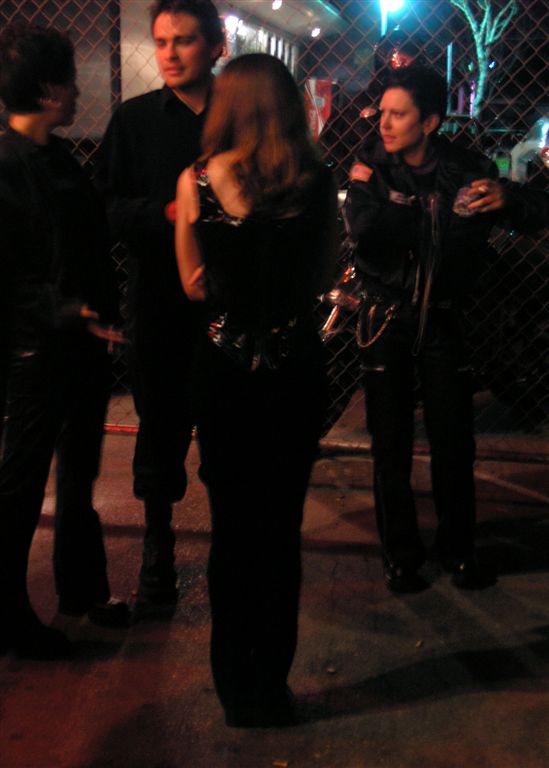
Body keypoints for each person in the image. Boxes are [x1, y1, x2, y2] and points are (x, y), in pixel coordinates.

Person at [175, 53, 337, 727]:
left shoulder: (197, 180)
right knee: (280, 530)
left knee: (232, 529)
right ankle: (271, 683)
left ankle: (233, 684)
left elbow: (192, 286)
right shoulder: (315, 182)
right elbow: (324, 273)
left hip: (225, 372)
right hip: (293, 370)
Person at [343, 63, 506, 594]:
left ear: (430, 121)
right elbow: (364, 230)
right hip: (386, 314)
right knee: (389, 441)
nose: (384, 124)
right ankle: (401, 555)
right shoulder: (370, 163)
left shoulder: (467, 166)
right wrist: (428, 213)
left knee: (453, 438)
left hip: (443, 314)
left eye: (398, 114)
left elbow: (517, 212)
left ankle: (458, 549)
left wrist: (503, 198)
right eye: (383, 112)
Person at [0, 21, 128, 659]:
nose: (78, 93)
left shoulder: (54, 158)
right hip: (38, 353)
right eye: (71, 82)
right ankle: (11, 617)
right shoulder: (11, 167)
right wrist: (68, 310)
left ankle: (82, 590)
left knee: (78, 478)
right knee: (22, 487)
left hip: (77, 345)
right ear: (51, 90)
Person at [95, 0, 224, 621]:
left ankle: (231, 551)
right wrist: (168, 214)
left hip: (227, 302)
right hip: (158, 301)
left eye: (185, 40)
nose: (170, 54)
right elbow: (106, 208)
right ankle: (158, 549)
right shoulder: (135, 120)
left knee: (228, 426)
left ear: (216, 45)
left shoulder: (238, 116)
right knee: (160, 426)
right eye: (162, 41)